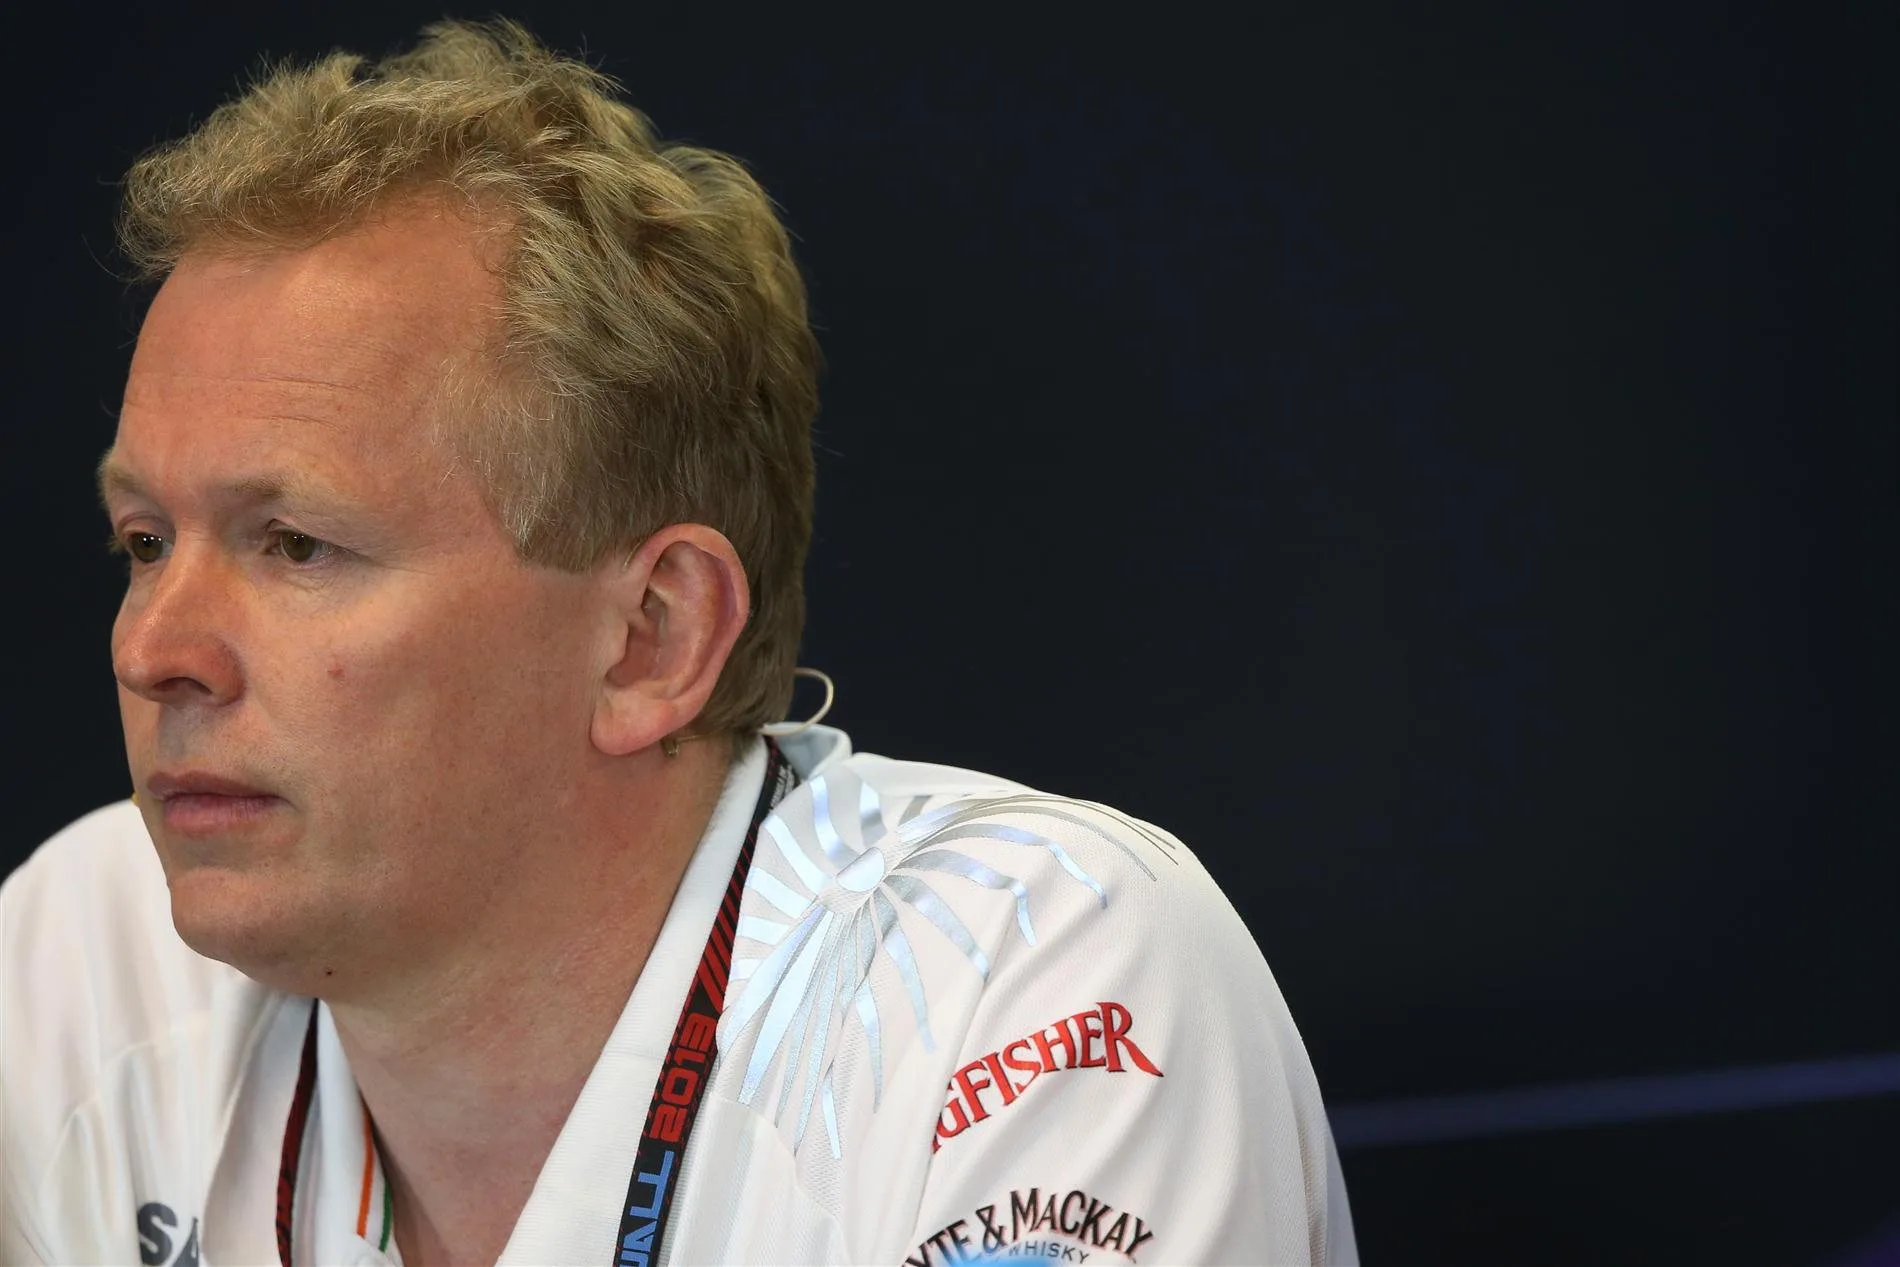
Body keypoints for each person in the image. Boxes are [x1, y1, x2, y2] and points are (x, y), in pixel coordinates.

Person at [0, 19, 1356, 1266]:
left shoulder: (1031, 970)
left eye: (294, 543)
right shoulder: (82, 952)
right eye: (144, 542)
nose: (154, 648)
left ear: (651, 637)